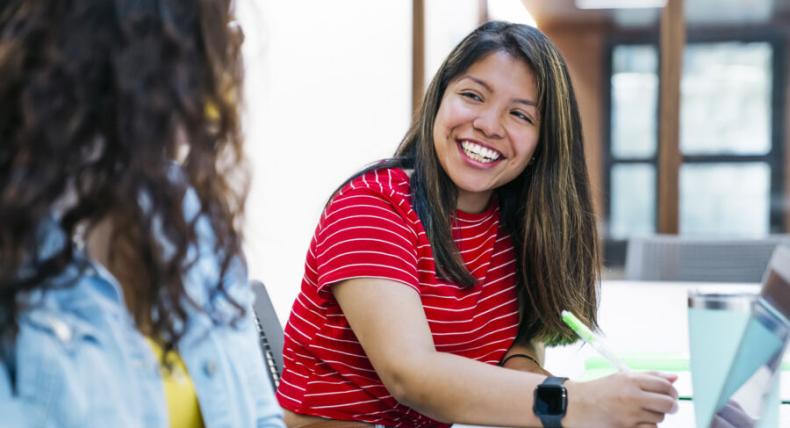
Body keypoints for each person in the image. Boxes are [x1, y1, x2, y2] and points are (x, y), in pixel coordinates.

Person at [277, 21, 678, 428]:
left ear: (544, 142)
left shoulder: (512, 222)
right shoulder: (371, 206)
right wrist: (577, 403)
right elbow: (410, 375)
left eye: (520, 115)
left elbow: (515, 350)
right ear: (439, 99)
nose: (489, 124)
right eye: (472, 96)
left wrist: (576, 398)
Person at [0, 1, 284, 427]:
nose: (231, 45)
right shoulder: (17, 245)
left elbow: (262, 416)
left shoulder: (193, 217)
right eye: (212, 26)